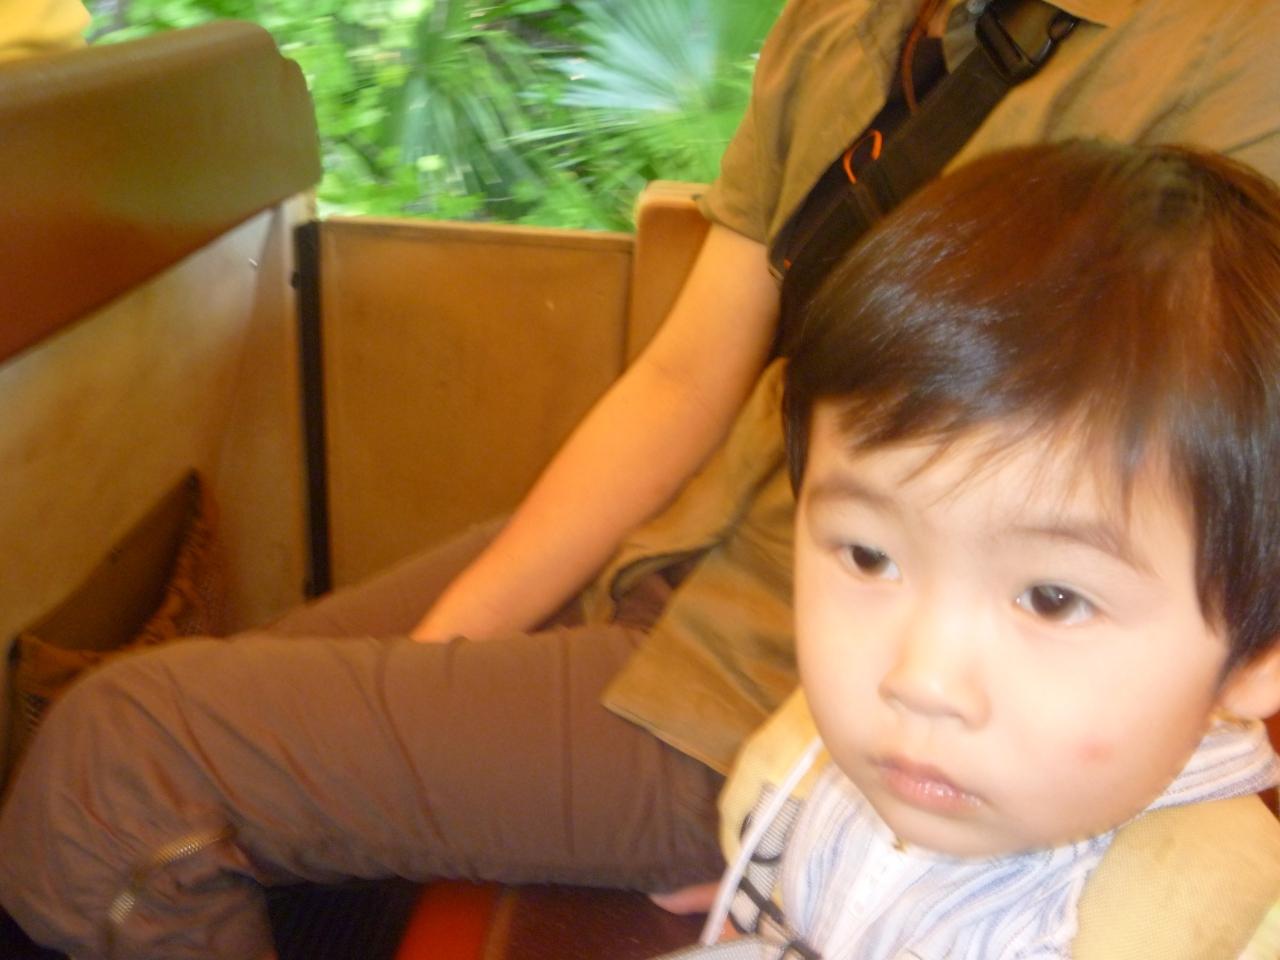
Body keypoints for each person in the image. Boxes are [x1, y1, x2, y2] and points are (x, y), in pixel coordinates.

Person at [2, 0, 1280, 957]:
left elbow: (1194, 525)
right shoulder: (844, 25)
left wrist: (810, 792)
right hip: (704, 558)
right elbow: (682, 380)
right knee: (204, 713)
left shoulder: (1236, 60)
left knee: (123, 760)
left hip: (770, 672)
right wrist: (445, 656)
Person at [657, 140, 1280, 959]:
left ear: (1258, 655)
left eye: (1053, 599)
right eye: (870, 558)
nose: (920, 680)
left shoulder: (1185, 916)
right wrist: (783, 901)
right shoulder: (890, 763)